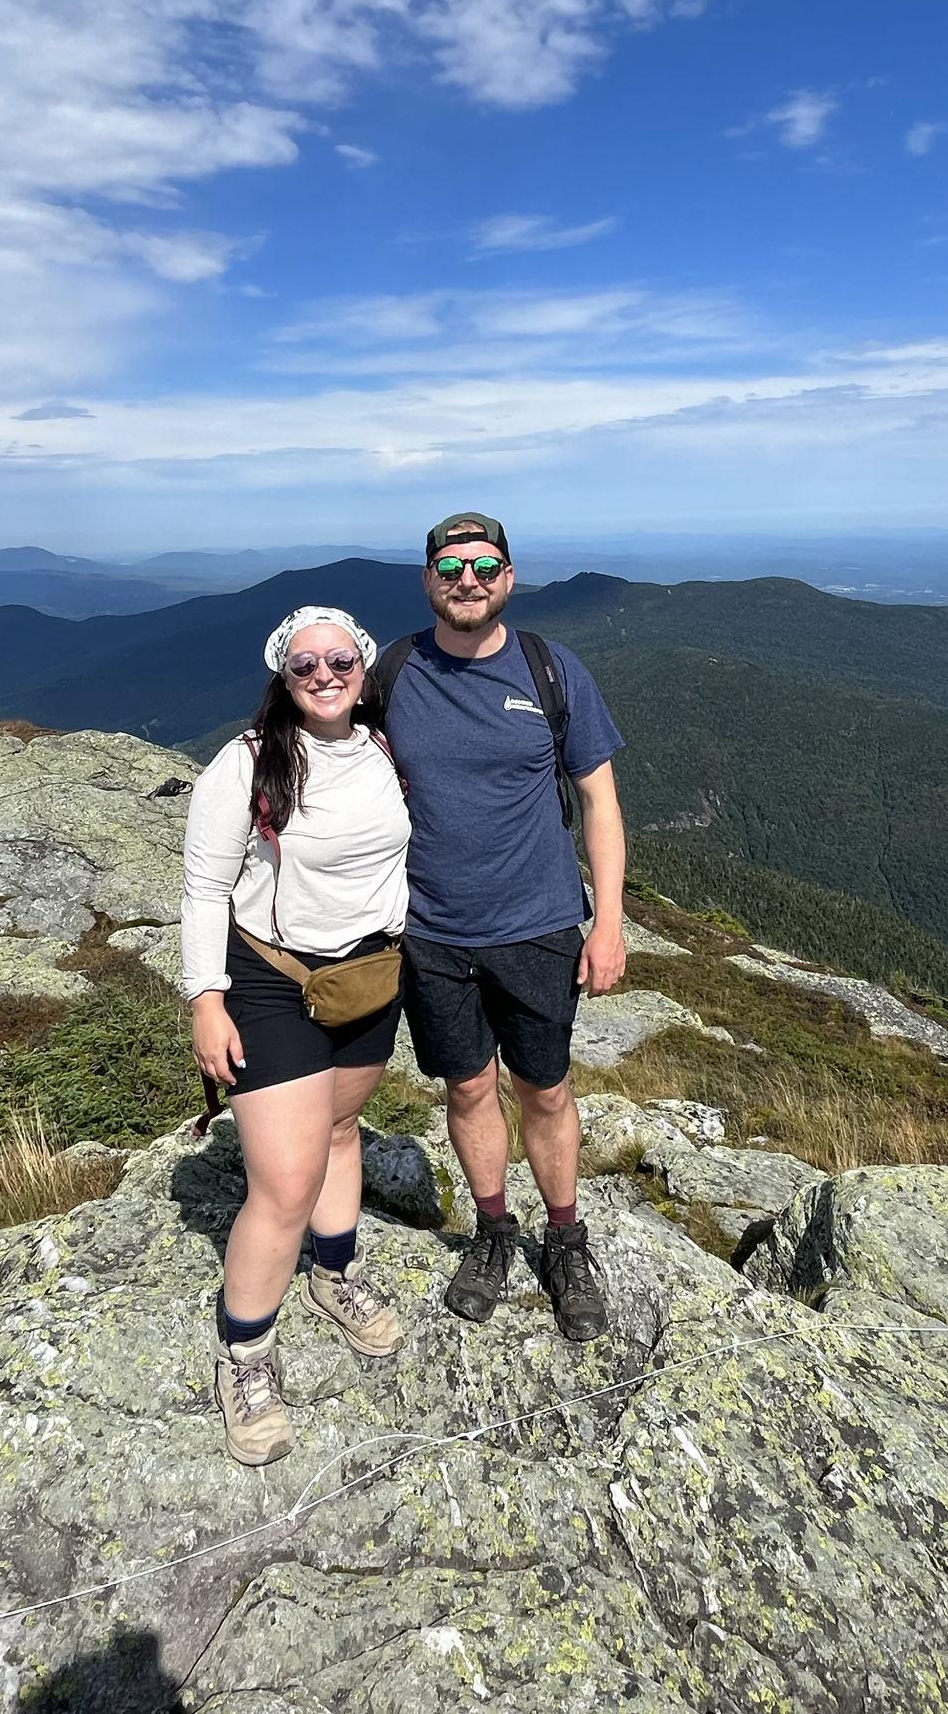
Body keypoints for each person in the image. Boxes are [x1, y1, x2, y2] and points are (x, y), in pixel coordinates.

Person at [380, 513, 628, 1342]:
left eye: (485, 565)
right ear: (427, 580)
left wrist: (610, 922)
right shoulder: (392, 672)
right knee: (466, 1087)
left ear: (510, 578)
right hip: (431, 931)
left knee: (547, 1089)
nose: (468, 580)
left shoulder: (553, 672)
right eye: (450, 567)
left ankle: (565, 1240)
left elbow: (599, 800)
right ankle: (494, 1234)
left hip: (540, 924)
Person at [180, 606, 412, 1466]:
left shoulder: (384, 749)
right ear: (283, 673)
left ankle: (335, 1272)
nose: (325, 674)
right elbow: (205, 891)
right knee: (284, 1180)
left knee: (342, 1130)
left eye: (340, 659)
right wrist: (207, 999)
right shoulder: (243, 765)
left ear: (363, 665)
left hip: (370, 977)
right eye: (305, 663)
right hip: (271, 984)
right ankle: (244, 1356)